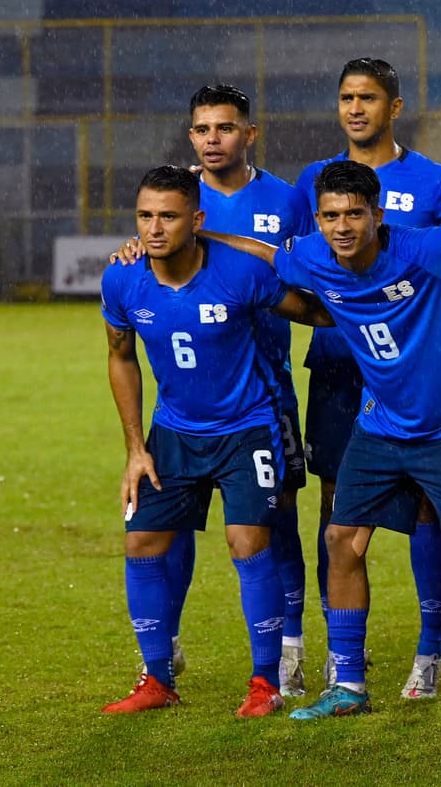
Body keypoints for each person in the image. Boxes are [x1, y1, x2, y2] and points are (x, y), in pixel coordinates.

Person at [204, 161, 441, 729]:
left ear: (378, 215)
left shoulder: (425, 248)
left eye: (354, 214)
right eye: (330, 216)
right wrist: (200, 235)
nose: (342, 226)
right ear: (318, 219)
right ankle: (348, 684)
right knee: (341, 539)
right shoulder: (313, 254)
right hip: (381, 424)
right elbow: (265, 253)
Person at [100, 166, 333, 717]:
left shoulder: (240, 274)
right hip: (173, 431)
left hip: (248, 427)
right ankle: (157, 678)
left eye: (169, 216)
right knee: (143, 543)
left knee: (249, 544)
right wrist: (136, 448)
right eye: (146, 216)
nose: (155, 228)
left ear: (197, 220)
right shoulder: (122, 279)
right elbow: (120, 356)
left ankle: (264, 681)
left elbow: (314, 312)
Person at [293, 58, 441, 701]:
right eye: (346, 97)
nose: (355, 109)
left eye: (368, 97)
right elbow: (294, 267)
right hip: (340, 367)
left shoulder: (435, 182)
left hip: (416, 374)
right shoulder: (316, 181)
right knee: (338, 509)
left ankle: (429, 649)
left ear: (395, 106)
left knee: (431, 505)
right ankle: (349, 659)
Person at [187, 84, 316, 697]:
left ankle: (289, 647)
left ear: (250, 134)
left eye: (225, 128)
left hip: (266, 389)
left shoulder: (286, 200)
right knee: (166, 526)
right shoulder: (178, 199)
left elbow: (304, 282)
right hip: (189, 402)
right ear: (191, 137)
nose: (214, 139)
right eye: (203, 129)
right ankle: (162, 654)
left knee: (278, 519)